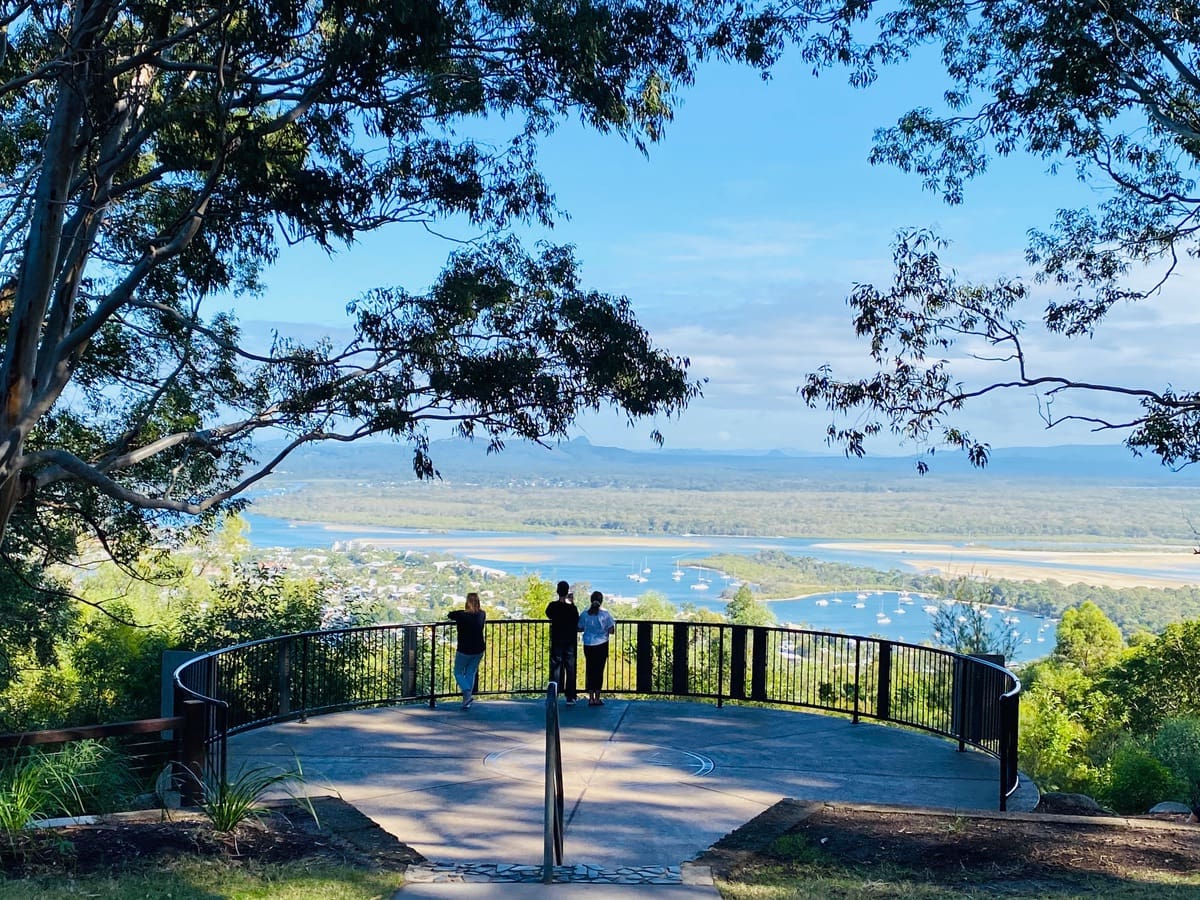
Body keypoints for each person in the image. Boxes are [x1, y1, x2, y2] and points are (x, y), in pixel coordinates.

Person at [447, 592, 486, 710]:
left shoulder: (461, 615)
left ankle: (467, 692)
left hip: (464, 649)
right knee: (470, 672)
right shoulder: (482, 614)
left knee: (458, 672)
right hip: (479, 649)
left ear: (467, 602)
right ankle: (466, 700)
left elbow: (450, 614)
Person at [545, 580, 579, 705]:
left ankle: (553, 695)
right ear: (567, 592)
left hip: (557, 640)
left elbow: (548, 614)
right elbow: (576, 619)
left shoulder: (552, 606)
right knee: (570, 669)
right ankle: (570, 696)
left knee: (555, 669)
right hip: (570, 642)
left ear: (557, 591)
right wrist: (572, 603)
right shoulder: (572, 609)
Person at [578, 590, 615, 706]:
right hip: (602, 644)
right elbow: (611, 630)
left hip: (588, 644)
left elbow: (579, 628)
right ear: (601, 601)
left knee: (590, 669)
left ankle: (590, 697)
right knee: (599, 671)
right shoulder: (605, 614)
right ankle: (597, 698)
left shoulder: (584, 614)